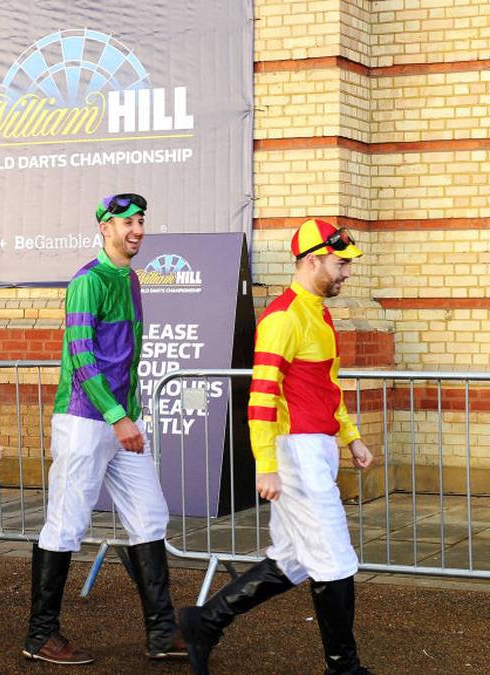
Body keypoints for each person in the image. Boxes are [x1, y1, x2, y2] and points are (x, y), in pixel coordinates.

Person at [179, 219, 374, 675]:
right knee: (336, 561)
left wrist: (351, 436)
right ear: (312, 260)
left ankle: (205, 621)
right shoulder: (283, 318)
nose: (347, 273)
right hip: (296, 453)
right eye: (341, 264)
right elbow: (261, 397)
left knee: (291, 561)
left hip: (314, 447)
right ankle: (343, 669)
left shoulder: (317, 312)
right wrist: (265, 467)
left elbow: (327, 386)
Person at [23, 193, 187, 665]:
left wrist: (125, 416)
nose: (136, 229)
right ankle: (40, 636)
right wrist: (117, 417)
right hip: (85, 420)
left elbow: (125, 361)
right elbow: (81, 355)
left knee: (150, 517)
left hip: (122, 422)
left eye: (140, 221)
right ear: (104, 228)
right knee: (67, 524)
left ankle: (161, 632)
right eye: (126, 222)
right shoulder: (88, 281)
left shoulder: (131, 278)